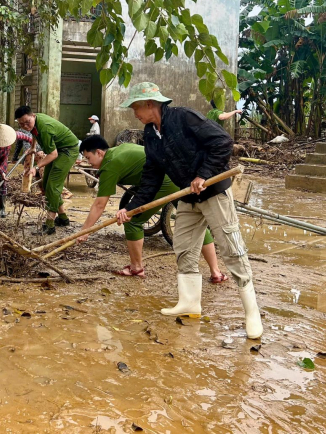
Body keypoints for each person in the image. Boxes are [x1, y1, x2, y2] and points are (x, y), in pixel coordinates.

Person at [116, 82, 262, 339]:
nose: (134, 113)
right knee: (183, 247)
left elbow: (223, 142)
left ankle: (252, 312)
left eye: (136, 107)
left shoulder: (184, 117)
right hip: (187, 197)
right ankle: (190, 302)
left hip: (213, 191)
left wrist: (203, 174)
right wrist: (131, 208)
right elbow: (151, 176)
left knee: (231, 248)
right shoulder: (150, 134)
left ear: (151, 104)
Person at [77, 136, 226, 281]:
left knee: (131, 219)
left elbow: (99, 204)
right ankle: (216, 272)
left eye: (88, 158)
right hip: (175, 177)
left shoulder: (110, 165)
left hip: (162, 182)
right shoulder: (117, 151)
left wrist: (85, 231)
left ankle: (136, 268)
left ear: (99, 152)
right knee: (195, 222)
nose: (88, 162)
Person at [15, 105, 78, 235]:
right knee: (46, 183)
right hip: (57, 150)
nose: (26, 126)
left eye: (27, 122)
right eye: (22, 124)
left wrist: (36, 167)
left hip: (67, 150)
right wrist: (33, 147)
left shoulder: (45, 128)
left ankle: (50, 225)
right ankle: (63, 218)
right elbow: (33, 132)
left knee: (53, 186)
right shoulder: (34, 122)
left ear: (33, 116)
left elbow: (53, 155)